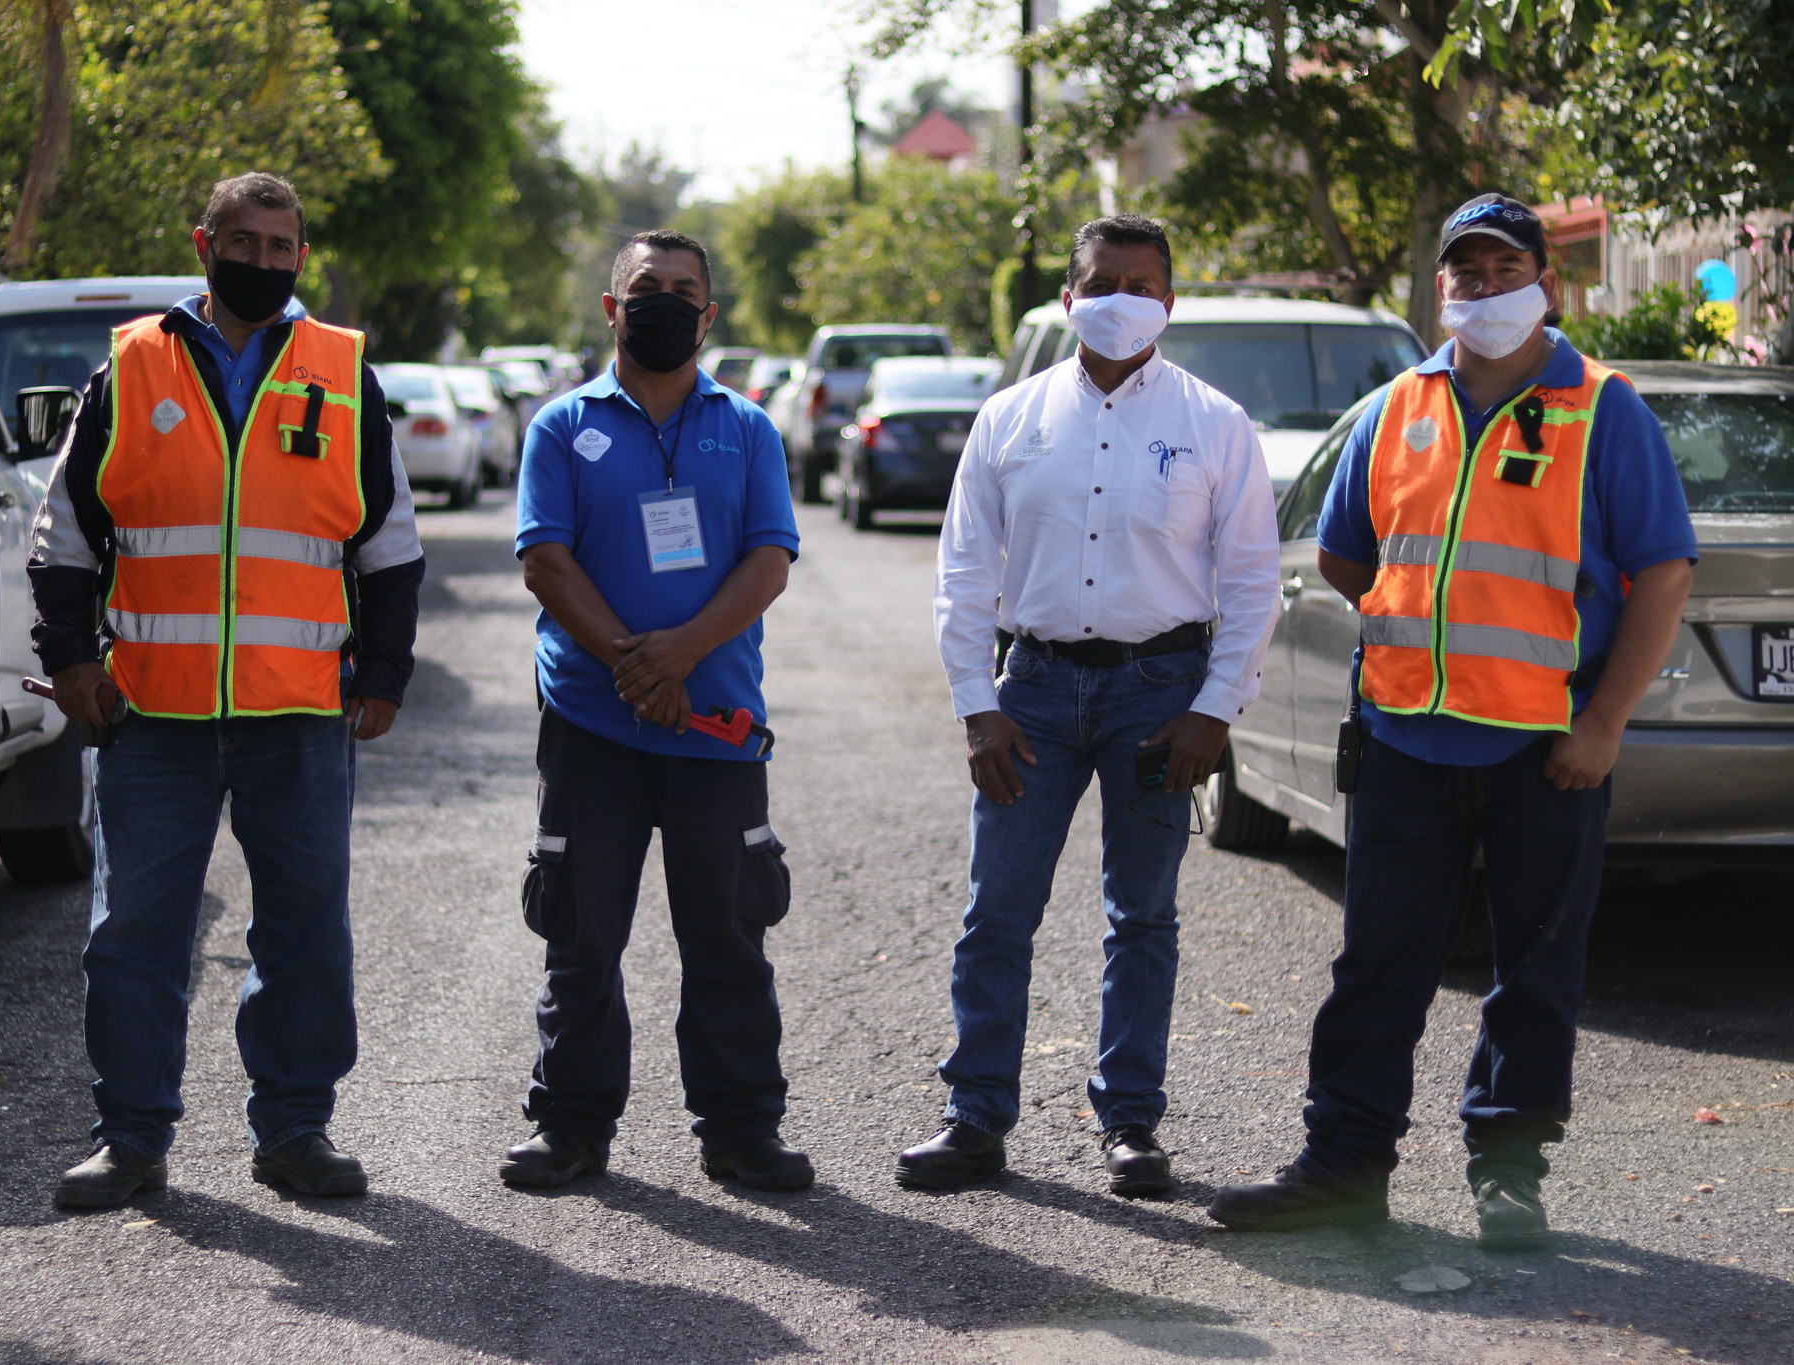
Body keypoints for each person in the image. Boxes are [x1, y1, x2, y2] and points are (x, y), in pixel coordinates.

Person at [1210, 193, 1695, 1249]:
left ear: (1544, 283)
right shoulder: (1396, 409)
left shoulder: (1601, 411)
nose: (1482, 291)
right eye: (1463, 275)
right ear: (1441, 288)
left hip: (1545, 750)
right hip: (1402, 742)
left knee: (1535, 968)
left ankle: (1507, 1176)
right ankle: (1342, 1165)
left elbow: (1661, 575)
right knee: (1376, 965)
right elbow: (1345, 553)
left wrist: (1602, 720)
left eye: (1502, 270)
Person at [29, 172, 425, 1209]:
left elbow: (389, 548)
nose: (259, 260)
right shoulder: (129, 366)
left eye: (279, 245)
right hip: (150, 713)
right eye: (240, 241)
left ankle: (294, 1133)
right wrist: (71, 658)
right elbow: (65, 533)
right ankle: (131, 1140)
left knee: (303, 932)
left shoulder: (341, 373)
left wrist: (382, 674)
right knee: (134, 936)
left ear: (301, 256)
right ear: (202, 243)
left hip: (297, 713)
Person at [900, 214, 1281, 1194]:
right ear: (1067, 298)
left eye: (1142, 283)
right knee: (996, 913)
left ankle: (1130, 1126)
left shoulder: (1213, 423)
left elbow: (1248, 582)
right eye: (1101, 282)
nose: (1121, 299)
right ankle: (973, 1118)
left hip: (1158, 696)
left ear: (1169, 299)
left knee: (1141, 916)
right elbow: (961, 571)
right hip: (1028, 693)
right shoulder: (1009, 419)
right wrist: (973, 704)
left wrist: (1213, 711)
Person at [502, 228, 809, 1192]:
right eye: (647, 287)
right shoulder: (561, 426)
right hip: (593, 724)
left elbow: (769, 560)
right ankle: (573, 1124)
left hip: (714, 723)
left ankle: (741, 1128)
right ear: (612, 307)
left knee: (725, 932)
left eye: (685, 289)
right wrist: (635, 667)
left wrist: (681, 653)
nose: (666, 301)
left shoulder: (748, 428)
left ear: (709, 315)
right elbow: (545, 559)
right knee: (582, 932)